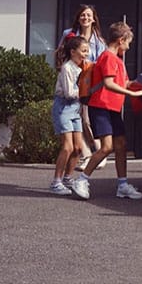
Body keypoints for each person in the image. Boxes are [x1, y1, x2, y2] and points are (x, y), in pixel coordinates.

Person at [70, 21, 142, 200]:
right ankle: (81, 180)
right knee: (106, 147)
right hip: (101, 107)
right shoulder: (108, 58)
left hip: (112, 108)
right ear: (121, 40)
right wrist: (132, 94)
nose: (128, 47)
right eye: (128, 42)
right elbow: (108, 83)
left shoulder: (118, 61)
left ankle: (122, 185)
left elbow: (125, 82)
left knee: (121, 145)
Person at [59, 5, 107, 171]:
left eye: (89, 15)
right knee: (77, 120)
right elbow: (60, 53)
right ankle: (88, 155)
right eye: (82, 15)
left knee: (86, 120)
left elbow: (103, 63)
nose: (85, 18)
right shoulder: (69, 34)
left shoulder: (99, 41)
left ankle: (99, 153)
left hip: (89, 83)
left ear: (94, 19)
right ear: (78, 17)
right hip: (71, 80)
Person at [49, 35, 90, 195]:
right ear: (73, 52)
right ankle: (56, 181)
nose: (86, 54)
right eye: (83, 51)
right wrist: (86, 90)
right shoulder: (67, 68)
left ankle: (67, 177)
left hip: (75, 109)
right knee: (67, 147)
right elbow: (68, 93)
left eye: (87, 51)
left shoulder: (82, 68)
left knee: (78, 148)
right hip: (63, 108)